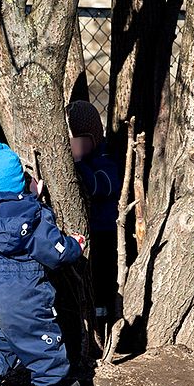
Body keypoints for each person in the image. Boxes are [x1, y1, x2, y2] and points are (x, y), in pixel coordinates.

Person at [0, 138, 87, 386]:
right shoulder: (34, 214)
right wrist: (74, 246)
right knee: (38, 333)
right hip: (25, 288)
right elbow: (54, 253)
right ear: (21, 181)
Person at [67, 100, 122, 325]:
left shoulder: (104, 160)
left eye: (82, 140)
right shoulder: (79, 161)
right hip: (83, 232)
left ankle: (103, 320)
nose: (76, 146)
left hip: (103, 231)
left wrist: (80, 164)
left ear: (94, 137)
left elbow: (101, 187)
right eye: (73, 141)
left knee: (102, 278)